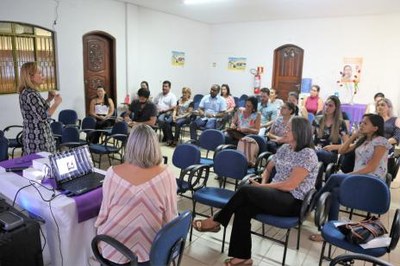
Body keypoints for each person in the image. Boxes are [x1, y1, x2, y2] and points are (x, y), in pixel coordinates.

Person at [193, 117, 318, 266]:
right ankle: (243, 258)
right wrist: (264, 182)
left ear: (299, 132)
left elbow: (290, 185)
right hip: (275, 194)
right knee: (243, 209)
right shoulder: (285, 148)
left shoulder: (308, 154)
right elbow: (268, 168)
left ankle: (216, 220)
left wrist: (261, 188)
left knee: (246, 190)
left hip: (293, 201)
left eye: (289, 128)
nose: (285, 130)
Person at [95, 124, 177, 265]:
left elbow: (104, 213)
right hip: (151, 248)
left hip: (114, 247)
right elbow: (171, 216)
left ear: (130, 145)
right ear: (154, 145)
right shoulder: (167, 174)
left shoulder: (112, 172)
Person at [309, 114, 392, 242]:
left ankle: (313, 202)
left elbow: (371, 167)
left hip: (372, 181)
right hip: (359, 179)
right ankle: (329, 231)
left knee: (335, 177)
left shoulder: (381, 141)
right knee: (335, 193)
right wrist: (354, 135)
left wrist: (349, 176)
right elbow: (342, 151)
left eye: (365, 123)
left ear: (375, 128)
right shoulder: (364, 140)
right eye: (361, 122)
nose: (361, 125)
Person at [18, 62, 62, 155]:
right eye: (40, 73)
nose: (43, 76)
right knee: (42, 165)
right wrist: (56, 103)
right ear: (31, 76)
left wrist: (49, 99)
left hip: (37, 135)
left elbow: (37, 111)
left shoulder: (30, 92)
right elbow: (43, 116)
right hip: (37, 138)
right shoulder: (30, 94)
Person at [312, 95, 348, 169]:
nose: (327, 107)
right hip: (316, 150)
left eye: (330, 106)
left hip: (331, 153)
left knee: (317, 154)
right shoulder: (317, 119)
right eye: (326, 104)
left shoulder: (340, 123)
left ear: (336, 108)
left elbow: (347, 144)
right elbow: (308, 137)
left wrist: (334, 147)